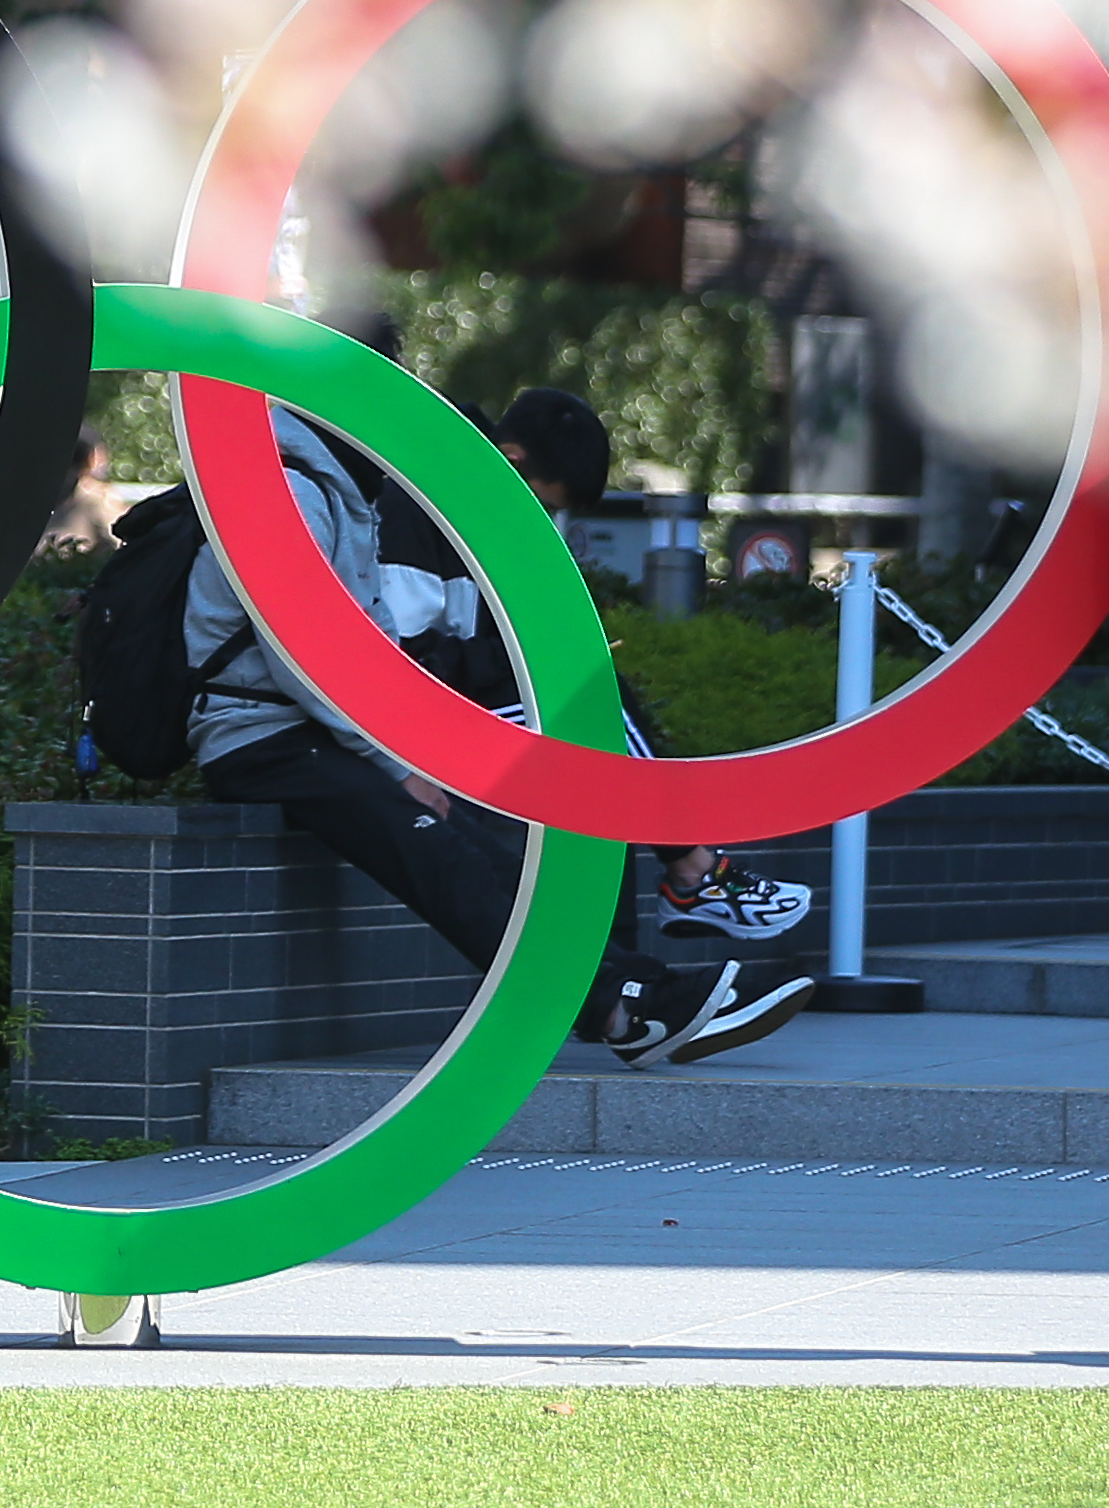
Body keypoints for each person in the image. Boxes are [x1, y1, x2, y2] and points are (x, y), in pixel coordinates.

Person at [189, 393, 814, 1068]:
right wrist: (397, 760)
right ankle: (640, 970)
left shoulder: (368, 495)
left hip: (345, 725)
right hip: (278, 728)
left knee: (503, 812)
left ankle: (637, 984)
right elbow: (331, 654)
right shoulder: (336, 494)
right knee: (469, 828)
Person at [481, 387, 812, 949]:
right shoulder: (446, 510)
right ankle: (692, 870)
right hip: (438, 709)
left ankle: (655, 928)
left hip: (468, 697)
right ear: (511, 457)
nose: (545, 516)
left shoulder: (487, 514)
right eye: (544, 500)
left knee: (600, 728)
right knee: (597, 714)